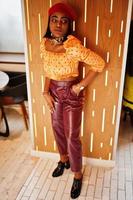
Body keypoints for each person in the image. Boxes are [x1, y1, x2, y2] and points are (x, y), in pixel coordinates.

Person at [40, 2, 105, 199]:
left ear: (69, 25)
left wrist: (80, 86)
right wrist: (45, 91)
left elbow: (99, 64)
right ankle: (63, 160)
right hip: (53, 92)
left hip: (71, 94)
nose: (58, 24)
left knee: (72, 136)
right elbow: (48, 71)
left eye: (63, 21)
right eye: (54, 19)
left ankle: (77, 174)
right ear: (49, 22)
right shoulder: (44, 43)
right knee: (57, 128)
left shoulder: (73, 45)